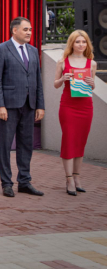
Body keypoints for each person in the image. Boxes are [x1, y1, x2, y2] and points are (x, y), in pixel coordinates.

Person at [0, 17, 45, 198]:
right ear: (14, 30)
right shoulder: (1, 49)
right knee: (5, 145)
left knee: (26, 145)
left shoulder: (33, 51)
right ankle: (6, 183)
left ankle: (24, 181)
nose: (29, 32)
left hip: (29, 106)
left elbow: (38, 81)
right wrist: (0, 105)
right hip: (9, 106)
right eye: (25, 29)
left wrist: (40, 105)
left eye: (30, 29)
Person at [53, 30, 97, 195]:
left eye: (84, 42)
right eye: (77, 42)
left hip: (86, 106)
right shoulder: (62, 62)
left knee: (80, 141)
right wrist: (62, 79)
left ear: (87, 44)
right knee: (69, 140)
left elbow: (92, 87)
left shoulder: (92, 63)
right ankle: (69, 178)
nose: (81, 45)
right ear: (71, 43)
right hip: (68, 106)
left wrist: (92, 83)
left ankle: (77, 177)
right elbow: (55, 84)